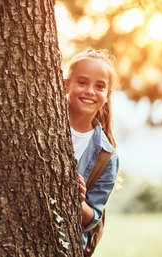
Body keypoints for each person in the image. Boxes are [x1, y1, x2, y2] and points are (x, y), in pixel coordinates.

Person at [64, 49, 119, 250]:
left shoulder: (107, 156)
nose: (90, 91)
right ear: (66, 84)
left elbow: (93, 218)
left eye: (99, 86)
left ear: (107, 95)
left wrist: (77, 200)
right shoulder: (41, 124)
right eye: (82, 82)